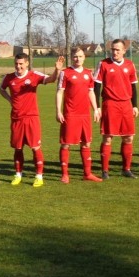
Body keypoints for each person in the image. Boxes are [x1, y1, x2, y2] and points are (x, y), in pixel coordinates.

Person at [0, 52, 63, 187]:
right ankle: (18, 175)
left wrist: (57, 70)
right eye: (16, 64)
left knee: (35, 147)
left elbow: (51, 79)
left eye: (21, 64)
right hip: (16, 118)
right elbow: (1, 89)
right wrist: (10, 99)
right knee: (17, 148)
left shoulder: (34, 75)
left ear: (27, 63)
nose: (18, 66)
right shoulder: (9, 78)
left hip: (31, 118)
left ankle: (39, 176)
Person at [55, 47, 103, 183]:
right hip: (70, 114)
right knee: (66, 144)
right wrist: (58, 111)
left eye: (80, 56)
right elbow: (59, 92)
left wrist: (96, 109)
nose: (78, 59)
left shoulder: (88, 73)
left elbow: (91, 92)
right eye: (75, 56)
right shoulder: (66, 73)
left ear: (84, 57)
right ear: (71, 57)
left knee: (86, 143)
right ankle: (65, 174)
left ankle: (87, 174)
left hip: (85, 114)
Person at [93, 39, 139, 179]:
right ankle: (105, 171)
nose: (115, 52)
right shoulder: (103, 64)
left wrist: (135, 105)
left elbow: (133, 87)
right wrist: (98, 107)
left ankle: (126, 169)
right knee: (107, 138)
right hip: (110, 104)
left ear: (124, 51)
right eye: (113, 49)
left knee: (128, 138)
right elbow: (97, 87)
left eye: (118, 49)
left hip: (126, 105)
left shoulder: (130, 65)